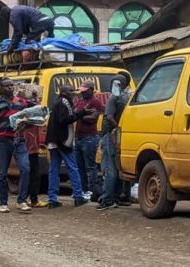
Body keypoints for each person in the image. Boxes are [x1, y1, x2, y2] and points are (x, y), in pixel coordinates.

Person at [0, 78, 32, 214]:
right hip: (4, 140)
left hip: (19, 140)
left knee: (26, 168)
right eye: (7, 86)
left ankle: (21, 200)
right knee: (2, 173)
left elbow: (30, 118)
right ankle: (3, 203)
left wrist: (25, 125)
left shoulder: (22, 102)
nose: (10, 88)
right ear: (2, 88)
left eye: (12, 85)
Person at [45, 84, 93, 208]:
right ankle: (78, 197)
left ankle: (52, 199)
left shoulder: (57, 102)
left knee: (53, 170)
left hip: (53, 140)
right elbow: (65, 120)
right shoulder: (64, 102)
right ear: (65, 92)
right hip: (63, 140)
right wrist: (81, 114)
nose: (74, 93)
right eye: (71, 91)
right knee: (72, 167)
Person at [98, 74, 132, 210]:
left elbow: (109, 116)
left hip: (111, 135)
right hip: (122, 136)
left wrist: (117, 127)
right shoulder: (129, 97)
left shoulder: (114, 97)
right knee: (118, 168)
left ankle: (107, 199)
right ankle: (119, 196)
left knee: (109, 168)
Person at [73, 81, 104, 201]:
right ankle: (83, 190)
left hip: (89, 138)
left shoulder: (95, 102)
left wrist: (80, 115)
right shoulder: (80, 101)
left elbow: (92, 118)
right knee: (79, 166)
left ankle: (92, 191)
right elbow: (75, 113)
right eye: (82, 90)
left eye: (85, 90)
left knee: (90, 167)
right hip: (79, 138)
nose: (83, 92)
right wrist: (82, 114)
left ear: (91, 90)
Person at [18, 89, 48, 208]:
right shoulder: (25, 109)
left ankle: (32, 199)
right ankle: (25, 199)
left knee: (34, 174)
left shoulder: (28, 108)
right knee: (29, 173)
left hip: (32, 146)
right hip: (26, 146)